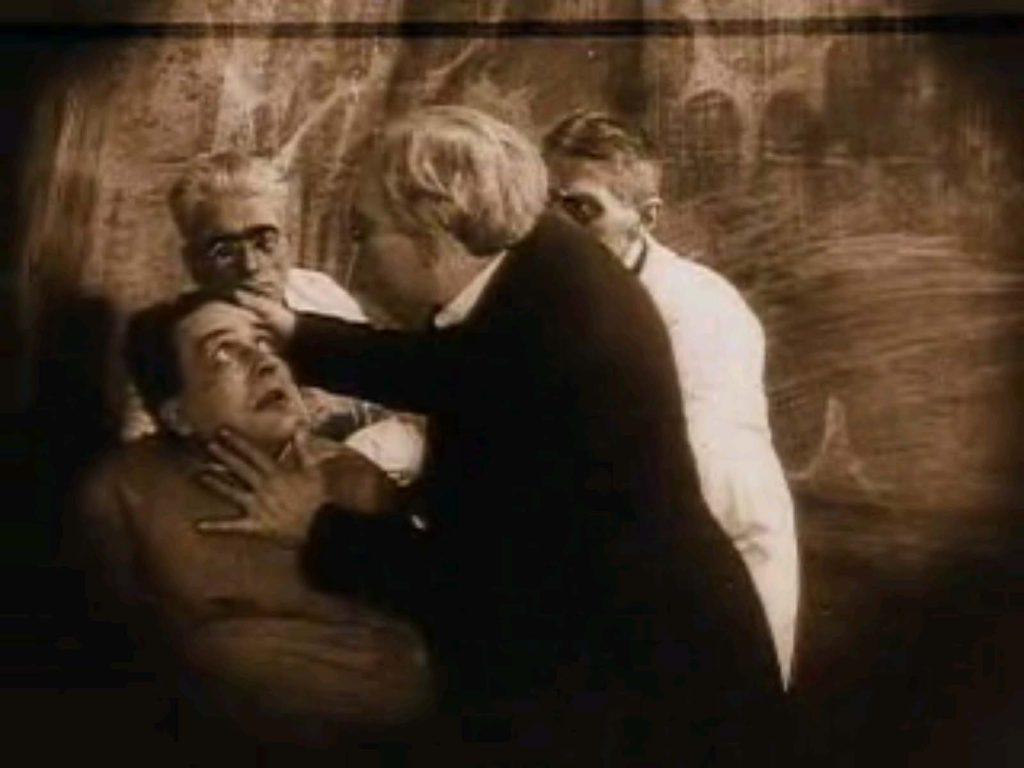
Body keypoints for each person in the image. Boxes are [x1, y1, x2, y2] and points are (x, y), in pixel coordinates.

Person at [202, 105, 785, 765]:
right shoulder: (538, 252)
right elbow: (453, 367)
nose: (358, 254)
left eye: (365, 231)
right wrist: (299, 335)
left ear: (433, 227)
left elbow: (479, 585)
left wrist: (315, 525)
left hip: (643, 697)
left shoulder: (548, 346)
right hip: (640, 643)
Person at [75, 292, 433, 757]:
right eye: (223, 353)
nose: (265, 363)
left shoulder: (355, 482)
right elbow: (109, 660)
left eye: (264, 343)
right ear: (178, 415)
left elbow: (410, 668)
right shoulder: (121, 492)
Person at [543, 109, 800, 684]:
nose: (555, 229)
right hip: (620, 561)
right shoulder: (552, 296)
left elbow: (689, 468)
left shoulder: (699, 309)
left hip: (717, 568)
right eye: (546, 205)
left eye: (581, 209)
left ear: (646, 216)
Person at [122, 151, 426, 486]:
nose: (250, 265)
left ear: (288, 240)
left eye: (264, 241)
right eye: (224, 250)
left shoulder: (320, 295)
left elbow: (392, 411)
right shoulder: (174, 341)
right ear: (193, 261)